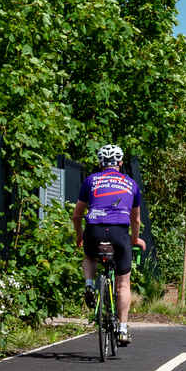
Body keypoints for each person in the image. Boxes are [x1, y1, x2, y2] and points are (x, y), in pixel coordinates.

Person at [72, 144, 146, 346]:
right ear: (120, 163)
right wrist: (134, 240)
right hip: (119, 232)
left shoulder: (91, 181)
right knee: (123, 282)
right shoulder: (131, 184)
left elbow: (77, 215)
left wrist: (79, 237)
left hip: (94, 229)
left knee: (89, 256)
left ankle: (89, 284)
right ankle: (122, 329)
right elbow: (136, 220)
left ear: (100, 163)